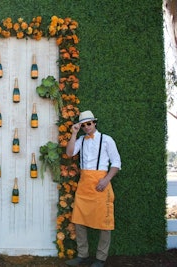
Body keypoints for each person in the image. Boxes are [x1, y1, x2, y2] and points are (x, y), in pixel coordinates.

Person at [65, 110, 121, 267]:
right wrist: (74, 134)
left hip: (100, 184)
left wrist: (106, 179)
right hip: (84, 185)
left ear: (95, 123)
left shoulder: (106, 140)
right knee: (79, 220)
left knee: (104, 222)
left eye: (89, 123)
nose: (86, 127)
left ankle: (101, 258)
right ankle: (82, 255)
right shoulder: (81, 140)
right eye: (83, 125)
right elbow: (69, 153)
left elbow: (116, 162)